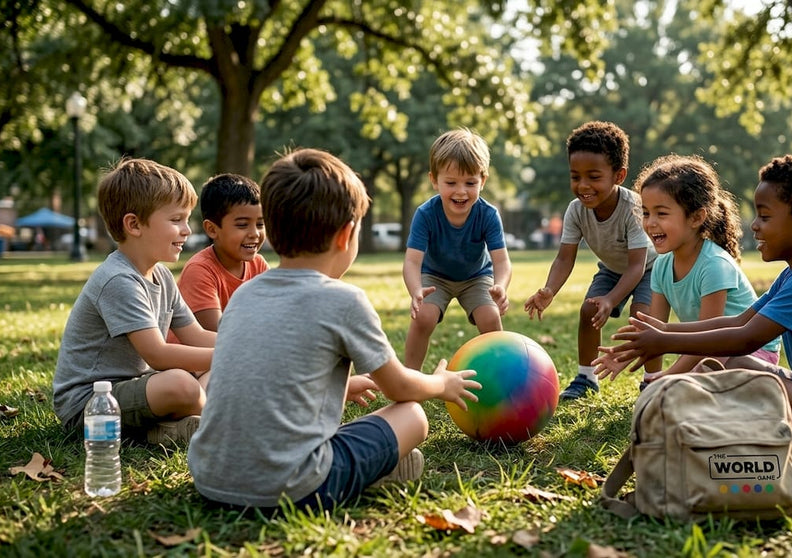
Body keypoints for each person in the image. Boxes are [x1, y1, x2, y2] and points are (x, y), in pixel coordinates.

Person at [188, 148, 481, 512]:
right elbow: (400, 388)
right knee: (412, 416)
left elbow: (266, 376)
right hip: (292, 489)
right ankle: (374, 471)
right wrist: (443, 384)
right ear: (346, 235)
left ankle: (371, 467)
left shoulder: (246, 293)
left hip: (210, 478)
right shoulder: (343, 300)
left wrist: (346, 385)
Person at [594, 152, 792, 456]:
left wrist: (665, 339)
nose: (754, 225)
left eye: (765, 217)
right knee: (729, 367)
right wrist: (664, 334)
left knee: (738, 372)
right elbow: (737, 321)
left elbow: (745, 339)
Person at [53, 158, 215, 446]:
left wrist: (244, 342)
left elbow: (198, 336)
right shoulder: (118, 279)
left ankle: (166, 430)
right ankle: (200, 415)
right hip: (92, 403)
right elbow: (158, 355)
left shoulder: (162, 276)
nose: (187, 230)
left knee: (209, 372)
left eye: (186, 219)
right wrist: (233, 356)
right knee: (182, 384)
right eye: (176, 219)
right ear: (134, 224)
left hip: (138, 388)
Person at [524, 121, 656, 401]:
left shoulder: (633, 207)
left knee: (643, 320)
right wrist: (549, 290)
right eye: (575, 176)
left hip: (649, 269)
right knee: (588, 311)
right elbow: (564, 258)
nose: (583, 185)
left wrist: (611, 299)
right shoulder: (576, 211)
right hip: (611, 269)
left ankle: (652, 382)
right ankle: (586, 377)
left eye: (593, 176)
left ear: (618, 175)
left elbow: (637, 265)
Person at [633, 154, 780, 384]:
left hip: (751, 355)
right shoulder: (661, 265)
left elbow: (708, 342)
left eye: (661, 213)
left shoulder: (714, 265)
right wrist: (650, 378)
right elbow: (655, 333)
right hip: (712, 351)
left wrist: (667, 377)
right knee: (682, 388)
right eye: (645, 212)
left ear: (696, 217)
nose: (650, 222)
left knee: (691, 385)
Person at [403, 128, 512, 370]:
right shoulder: (425, 214)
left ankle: (501, 376)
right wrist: (416, 290)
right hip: (435, 277)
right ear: (434, 180)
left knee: (490, 317)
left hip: (476, 277)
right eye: (451, 182)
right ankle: (410, 378)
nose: (461, 191)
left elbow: (502, 261)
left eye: (470, 182)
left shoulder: (488, 214)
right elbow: (412, 262)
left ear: (482, 181)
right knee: (424, 317)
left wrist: (500, 287)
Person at [177, 173, 269, 332]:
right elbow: (219, 333)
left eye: (260, 224)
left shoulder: (258, 265)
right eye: (242, 225)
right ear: (212, 229)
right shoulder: (200, 271)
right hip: (203, 354)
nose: (255, 233)